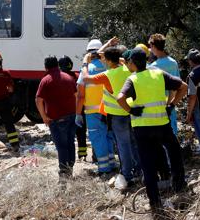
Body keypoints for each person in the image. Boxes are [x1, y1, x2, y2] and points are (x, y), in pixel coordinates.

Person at [117, 47, 187, 210]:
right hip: (162, 126)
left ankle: (155, 202)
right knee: (175, 154)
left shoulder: (132, 79)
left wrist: (131, 110)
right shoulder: (158, 73)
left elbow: (120, 98)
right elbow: (183, 87)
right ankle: (179, 186)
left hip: (142, 129)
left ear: (132, 63)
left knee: (148, 165)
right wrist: (171, 104)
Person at [81, 45, 141, 189]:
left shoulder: (107, 75)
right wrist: (110, 55)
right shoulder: (127, 68)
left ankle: (127, 175)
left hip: (117, 116)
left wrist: (85, 63)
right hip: (131, 112)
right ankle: (140, 170)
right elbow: (120, 61)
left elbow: (87, 78)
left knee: (123, 146)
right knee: (134, 143)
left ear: (107, 61)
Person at [77, 39, 116, 175]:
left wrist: (77, 114)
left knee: (98, 140)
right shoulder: (109, 66)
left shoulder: (86, 70)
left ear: (88, 53)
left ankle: (104, 168)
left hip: (92, 112)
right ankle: (112, 164)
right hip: (109, 109)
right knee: (109, 136)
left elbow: (81, 95)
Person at [36, 56, 77, 178]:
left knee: (61, 146)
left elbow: (38, 100)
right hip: (72, 116)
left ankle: (64, 173)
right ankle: (70, 168)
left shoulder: (45, 80)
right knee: (70, 143)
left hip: (56, 119)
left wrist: (44, 117)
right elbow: (77, 95)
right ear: (57, 65)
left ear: (46, 67)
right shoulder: (69, 77)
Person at [148, 34, 180, 135]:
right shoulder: (173, 63)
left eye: (150, 46)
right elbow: (177, 86)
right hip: (171, 104)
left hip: (159, 105)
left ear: (153, 46)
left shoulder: (153, 66)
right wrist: (171, 104)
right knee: (172, 134)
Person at [59, 56, 88, 161]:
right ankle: (83, 155)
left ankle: (67, 156)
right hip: (79, 108)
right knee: (81, 132)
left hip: (66, 110)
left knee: (67, 134)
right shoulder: (77, 75)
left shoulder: (59, 78)